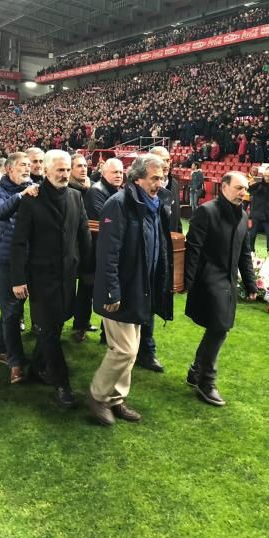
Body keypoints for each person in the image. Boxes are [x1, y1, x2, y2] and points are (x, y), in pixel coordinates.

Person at [87, 155, 174, 426]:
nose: (159, 183)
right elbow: (108, 253)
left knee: (132, 350)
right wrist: (112, 291)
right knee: (123, 350)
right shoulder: (119, 204)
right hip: (120, 291)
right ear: (137, 179)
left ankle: (116, 399)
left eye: (161, 177)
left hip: (140, 288)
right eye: (154, 178)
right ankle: (97, 396)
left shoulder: (155, 204)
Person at [11, 149, 92, 408]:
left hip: (68, 275)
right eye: (60, 170)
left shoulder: (76, 197)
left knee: (55, 326)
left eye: (67, 170)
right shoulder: (31, 199)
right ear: (45, 171)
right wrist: (18, 278)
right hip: (40, 277)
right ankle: (62, 383)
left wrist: (89, 270)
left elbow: (84, 237)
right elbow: (19, 243)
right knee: (48, 330)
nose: (65, 174)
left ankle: (36, 367)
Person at [184, 171, 257, 407]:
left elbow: (244, 253)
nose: (243, 193)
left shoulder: (243, 216)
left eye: (245, 189)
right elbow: (193, 248)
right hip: (208, 280)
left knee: (218, 329)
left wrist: (250, 283)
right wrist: (189, 281)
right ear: (224, 187)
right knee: (219, 328)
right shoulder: (206, 211)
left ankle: (196, 371)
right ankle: (206, 382)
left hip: (228, 282)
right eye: (238, 188)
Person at [0, 153, 39, 383]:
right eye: (22, 166)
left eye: (29, 165)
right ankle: (15, 362)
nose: (28, 169)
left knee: (15, 308)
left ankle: (0, 350)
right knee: (11, 310)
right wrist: (21, 195)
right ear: (9, 169)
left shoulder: (35, 189)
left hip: (30, 258)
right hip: (5, 259)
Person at [135, 145, 182, 372]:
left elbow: (176, 221)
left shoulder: (173, 185)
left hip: (162, 251)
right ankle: (139, 349)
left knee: (153, 302)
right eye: (160, 160)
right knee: (139, 302)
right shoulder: (141, 191)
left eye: (168, 159)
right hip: (143, 254)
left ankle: (146, 350)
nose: (166, 163)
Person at [73, 157, 124, 342]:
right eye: (114, 172)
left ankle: (103, 332)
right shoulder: (96, 192)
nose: (119, 175)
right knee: (87, 291)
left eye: (120, 172)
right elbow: (105, 220)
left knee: (103, 292)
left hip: (105, 251)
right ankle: (80, 326)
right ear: (103, 173)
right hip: (93, 252)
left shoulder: (117, 191)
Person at [248, 167, 269, 258]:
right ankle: (250, 252)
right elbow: (250, 191)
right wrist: (252, 184)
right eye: (266, 176)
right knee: (252, 234)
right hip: (256, 214)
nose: (267, 178)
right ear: (263, 176)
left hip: (268, 215)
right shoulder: (258, 184)